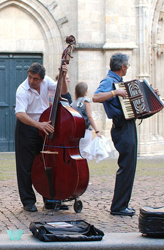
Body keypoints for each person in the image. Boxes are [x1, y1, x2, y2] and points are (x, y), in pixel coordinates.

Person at [93, 53, 157, 216]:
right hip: (122, 126)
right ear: (122, 67)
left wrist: (151, 96)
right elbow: (96, 97)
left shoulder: (120, 82)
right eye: (127, 66)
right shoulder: (109, 81)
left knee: (130, 167)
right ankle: (118, 206)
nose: (127, 68)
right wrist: (115, 93)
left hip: (128, 125)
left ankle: (122, 204)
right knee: (126, 167)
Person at [15, 62, 68, 212]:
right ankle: (28, 201)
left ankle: (50, 199)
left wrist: (63, 76)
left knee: (47, 163)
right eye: (30, 77)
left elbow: (62, 91)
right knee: (25, 166)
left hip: (44, 125)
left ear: (42, 79)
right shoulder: (22, 90)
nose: (32, 81)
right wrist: (38, 125)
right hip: (27, 126)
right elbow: (20, 114)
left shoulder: (47, 82)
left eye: (36, 79)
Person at [71, 82, 102, 158]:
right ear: (85, 91)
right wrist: (97, 131)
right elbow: (89, 116)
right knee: (84, 155)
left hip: (75, 132)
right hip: (85, 131)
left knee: (77, 154)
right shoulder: (86, 101)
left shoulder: (72, 103)